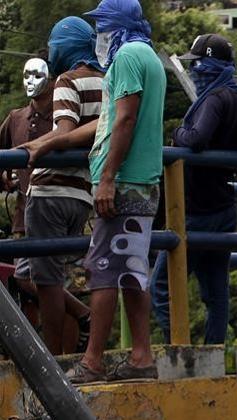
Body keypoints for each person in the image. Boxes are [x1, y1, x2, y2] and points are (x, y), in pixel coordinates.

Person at [26, 0, 165, 383]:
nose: (99, 36)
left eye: (103, 26)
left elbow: (124, 119)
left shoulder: (124, 59)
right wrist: (54, 143)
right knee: (133, 272)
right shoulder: (148, 56)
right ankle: (142, 359)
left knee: (102, 270)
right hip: (145, 181)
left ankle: (92, 363)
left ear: (116, 24)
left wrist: (106, 178)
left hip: (121, 182)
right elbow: (108, 119)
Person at [149, 34, 237, 344]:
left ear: (206, 66)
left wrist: (178, 131)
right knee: (216, 292)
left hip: (194, 210)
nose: (194, 73)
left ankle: (180, 347)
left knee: (161, 287)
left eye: (197, 65)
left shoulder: (214, 99)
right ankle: (213, 350)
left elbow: (197, 138)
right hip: (223, 210)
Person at [23, 18, 105, 356]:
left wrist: (27, 149)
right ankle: (78, 325)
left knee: (47, 283)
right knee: (39, 273)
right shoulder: (106, 82)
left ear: (64, 46)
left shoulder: (67, 81)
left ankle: (51, 362)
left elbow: (63, 131)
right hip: (82, 192)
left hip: (50, 190)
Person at [1, 57, 54, 325]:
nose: (30, 81)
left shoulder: (63, 119)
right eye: (26, 74)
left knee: (48, 281)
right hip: (23, 215)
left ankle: (79, 318)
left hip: (55, 211)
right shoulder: (16, 118)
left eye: (37, 74)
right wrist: (4, 175)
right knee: (26, 287)